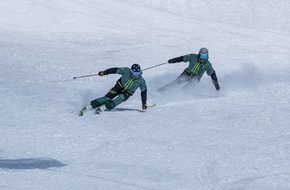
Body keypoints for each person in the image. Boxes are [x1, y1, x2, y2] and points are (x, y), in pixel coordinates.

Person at [79, 64, 147, 116]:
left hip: (127, 93)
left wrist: (144, 103)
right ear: (131, 71)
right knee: (107, 98)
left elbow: (143, 92)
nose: (136, 75)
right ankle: (90, 105)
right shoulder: (126, 71)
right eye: (135, 73)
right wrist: (104, 72)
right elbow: (115, 70)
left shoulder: (141, 81)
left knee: (121, 98)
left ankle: (105, 107)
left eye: (138, 73)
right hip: (118, 87)